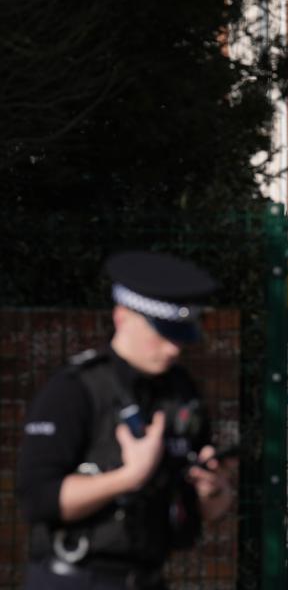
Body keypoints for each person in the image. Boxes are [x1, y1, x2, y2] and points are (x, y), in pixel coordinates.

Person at [16, 251, 234, 589]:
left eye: (179, 335)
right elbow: (37, 501)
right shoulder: (75, 390)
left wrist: (213, 491)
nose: (174, 348)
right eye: (161, 333)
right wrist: (129, 476)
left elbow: (202, 511)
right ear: (123, 317)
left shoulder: (180, 391)